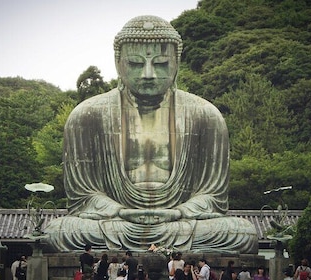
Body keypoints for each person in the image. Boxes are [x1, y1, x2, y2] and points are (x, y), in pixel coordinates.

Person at [44, 15, 258, 254]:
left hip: (180, 221)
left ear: (176, 63)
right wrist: (120, 211)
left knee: (242, 233)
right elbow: (84, 196)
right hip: (117, 222)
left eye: (161, 64)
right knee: (59, 232)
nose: (148, 74)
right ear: (118, 63)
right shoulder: (87, 116)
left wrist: (179, 212)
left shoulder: (205, 116)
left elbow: (212, 196)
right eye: (135, 64)